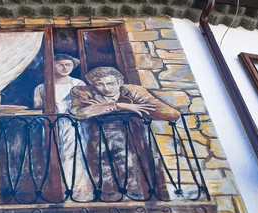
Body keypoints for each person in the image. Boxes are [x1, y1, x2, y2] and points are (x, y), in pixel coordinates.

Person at [70, 67, 181, 200]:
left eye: (111, 83)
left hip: (134, 138)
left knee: (136, 174)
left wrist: (100, 107)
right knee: (105, 175)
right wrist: (120, 106)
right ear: (93, 85)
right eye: (99, 84)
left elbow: (171, 114)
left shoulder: (135, 91)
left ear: (120, 82)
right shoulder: (82, 92)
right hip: (100, 139)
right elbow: (78, 112)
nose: (106, 88)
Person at [34, 54, 90, 199]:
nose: (65, 68)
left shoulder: (78, 84)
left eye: (68, 65)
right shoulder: (41, 87)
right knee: (52, 155)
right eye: (60, 64)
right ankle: (55, 191)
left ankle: (77, 191)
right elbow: (38, 108)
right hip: (50, 125)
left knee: (73, 154)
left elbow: (86, 105)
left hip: (73, 124)